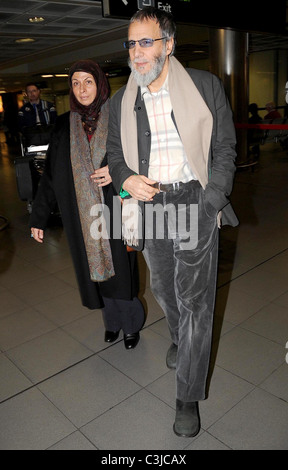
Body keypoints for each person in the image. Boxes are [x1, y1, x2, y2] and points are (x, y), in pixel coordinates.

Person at [106, 7, 238, 437]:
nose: (137, 52)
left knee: (197, 303)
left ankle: (187, 397)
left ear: (168, 44)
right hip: (151, 204)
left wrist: (211, 200)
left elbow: (224, 149)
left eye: (146, 42)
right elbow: (114, 154)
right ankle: (180, 336)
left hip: (194, 199)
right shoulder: (123, 99)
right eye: (132, 43)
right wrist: (127, 180)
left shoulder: (204, 86)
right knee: (164, 287)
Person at [30, 59, 145, 350]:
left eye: (88, 81)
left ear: (100, 83)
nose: (82, 89)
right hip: (82, 213)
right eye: (76, 83)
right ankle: (112, 323)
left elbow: (142, 153)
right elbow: (52, 175)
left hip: (116, 208)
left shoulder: (120, 115)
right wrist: (38, 218)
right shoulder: (62, 125)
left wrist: (117, 171)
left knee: (121, 270)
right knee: (97, 272)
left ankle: (131, 325)